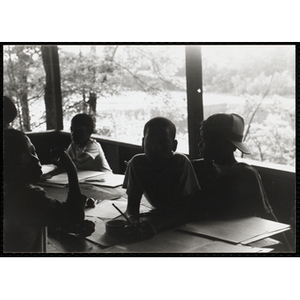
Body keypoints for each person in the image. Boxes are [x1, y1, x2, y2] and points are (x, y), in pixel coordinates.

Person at [3, 129, 86, 253]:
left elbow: (35, 219)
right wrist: (71, 169)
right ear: (11, 161)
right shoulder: (29, 198)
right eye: (29, 152)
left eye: (34, 152)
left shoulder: (9, 192)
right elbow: (75, 216)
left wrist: (63, 227)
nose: (36, 159)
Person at [123, 117, 200, 231]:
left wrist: (156, 227)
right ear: (143, 143)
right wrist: (133, 219)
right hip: (159, 216)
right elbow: (131, 208)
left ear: (174, 145)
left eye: (163, 142)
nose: (156, 148)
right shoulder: (137, 163)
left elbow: (186, 212)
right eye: (150, 142)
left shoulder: (180, 162)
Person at [191, 113, 274, 220]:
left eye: (206, 140)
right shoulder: (197, 168)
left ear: (223, 145)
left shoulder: (247, 175)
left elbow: (265, 213)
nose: (200, 145)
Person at [41, 113, 111, 180]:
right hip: (88, 179)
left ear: (90, 131)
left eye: (79, 131)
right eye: (72, 130)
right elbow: (66, 164)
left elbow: (74, 163)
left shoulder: (93, 146)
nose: (73, 134)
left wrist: (56, 162)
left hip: (105, 179)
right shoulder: (73, 146)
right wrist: (50, 174)